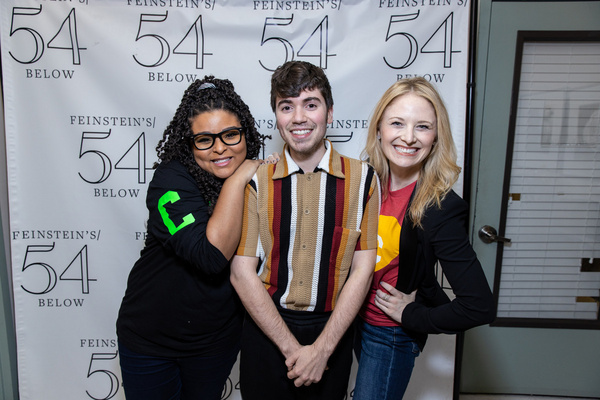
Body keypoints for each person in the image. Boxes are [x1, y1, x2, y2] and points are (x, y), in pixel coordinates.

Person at [230, 61, 380, 400]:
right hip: (266, 330)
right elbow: (242, 272)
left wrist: (322, 351)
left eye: (311, 104)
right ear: (277, 117)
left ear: (329, 113)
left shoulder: (365, 180)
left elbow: (363, 269)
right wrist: (291, 349)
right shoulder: (256, 180)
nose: (299, 117)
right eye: (287, 106)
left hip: (332, 330)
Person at [116, 76, 265, 400]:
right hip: (151, 341)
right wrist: (238, 177)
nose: (220, 147)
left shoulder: (262, 182)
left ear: (246, 133)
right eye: (205, 140)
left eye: (230, 134)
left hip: (216, 342)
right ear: (189, 143)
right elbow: (210, 256)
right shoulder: (169, 181)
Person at [353, 77, 496, 400]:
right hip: (351, 322)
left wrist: (413, 315)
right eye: (397, 123)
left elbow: (479, 307)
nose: (408, 137)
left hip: (388, 335)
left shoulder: (440, 206)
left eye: (422, 127)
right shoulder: (363, 182)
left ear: (435, 137)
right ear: (379, 129)